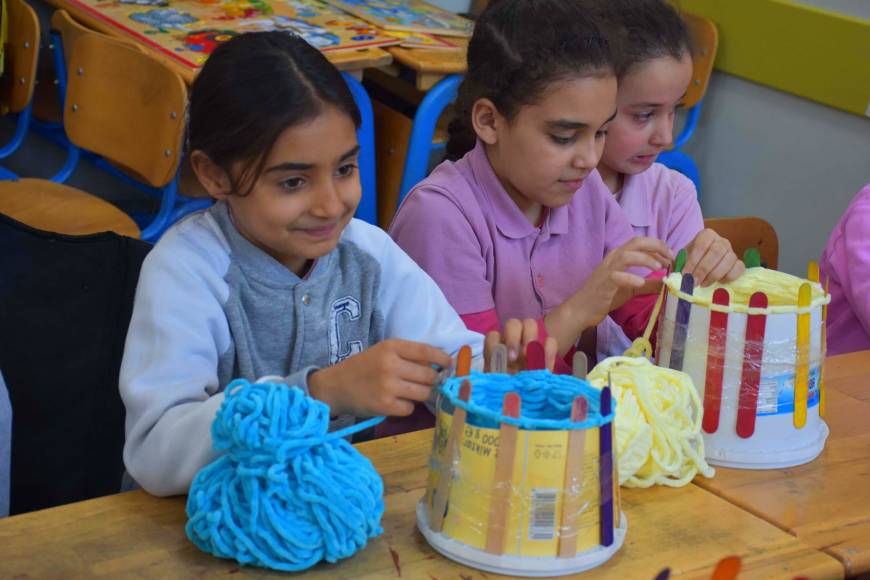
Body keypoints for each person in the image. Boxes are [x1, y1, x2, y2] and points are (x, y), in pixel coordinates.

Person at [120, 32, 483, 496]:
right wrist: (318, 393)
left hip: (329, 510)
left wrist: (490, 373)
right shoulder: (188, 269)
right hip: (196, 523)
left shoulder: (368, 252)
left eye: (345, 170)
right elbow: (156, 451)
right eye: (293, 182)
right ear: (214, 174)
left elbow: (448, 356)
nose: (331, 206)